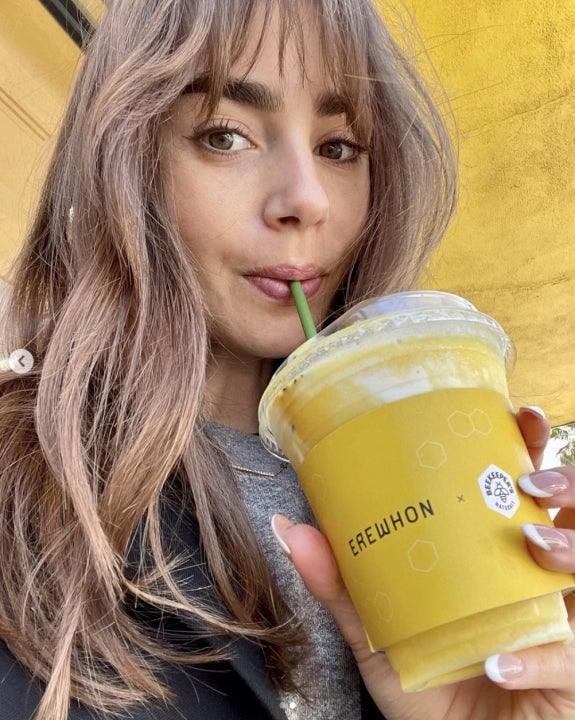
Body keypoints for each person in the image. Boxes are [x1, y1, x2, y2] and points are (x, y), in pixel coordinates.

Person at [0, 0, 574, 718]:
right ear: (121, 162)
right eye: (225, 135)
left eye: (339, 147)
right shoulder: (22, 493)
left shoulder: (416, 487)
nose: (307, 199)